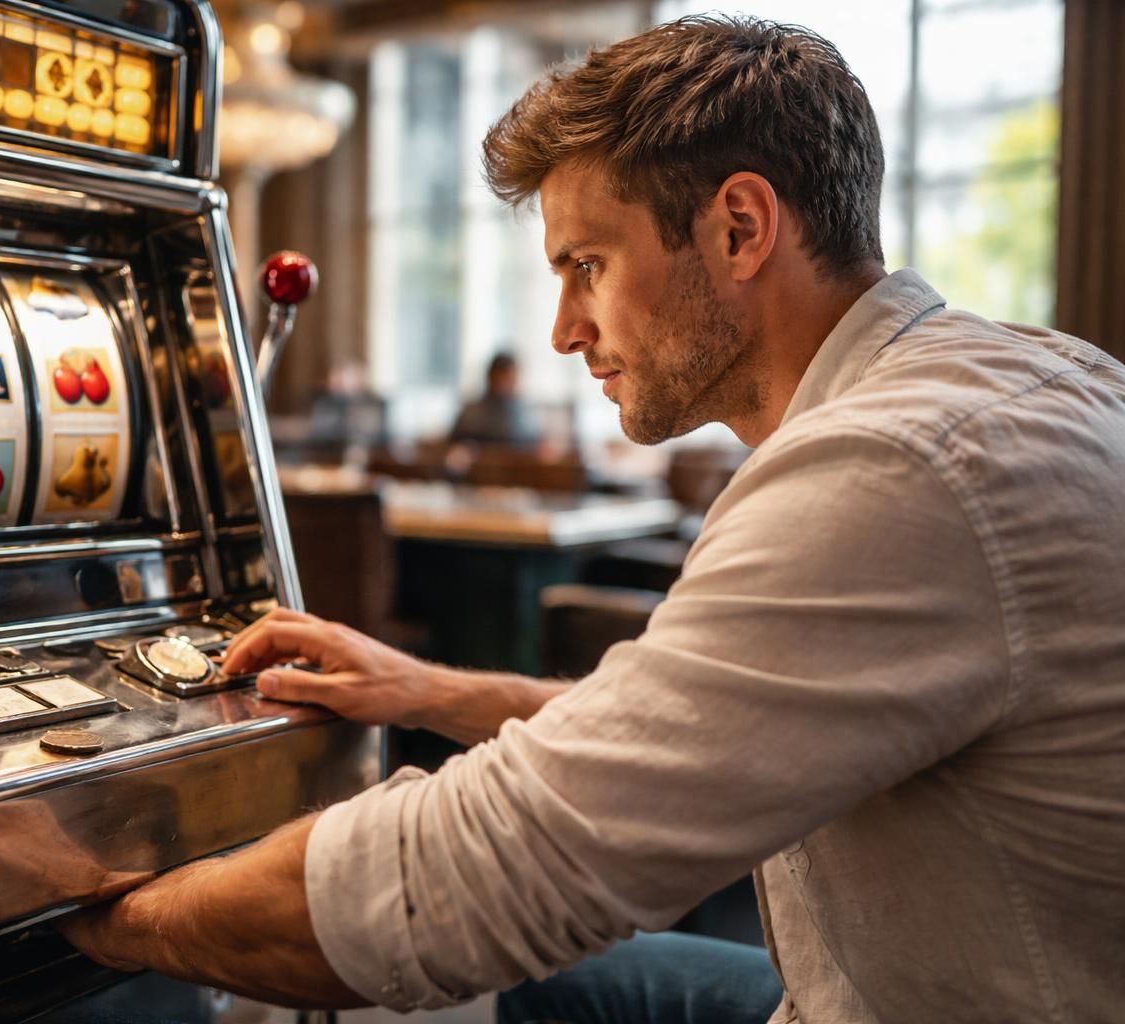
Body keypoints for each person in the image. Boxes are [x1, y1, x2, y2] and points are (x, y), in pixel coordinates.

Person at [57, 16, 1125, 1023]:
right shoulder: (1028, 376)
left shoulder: (892, 470)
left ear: (740, 228)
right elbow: (696, 724)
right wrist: (433, 691)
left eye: (586, 265)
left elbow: (461, 886)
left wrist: (84, 909)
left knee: (434, 979)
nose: (565, 330)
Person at [449, 351, 541, 446]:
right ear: (492, 377)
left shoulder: (523, 412)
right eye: (507, 379)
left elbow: (535, 439)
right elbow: (456, 443)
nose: (513, 384)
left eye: (514, 379)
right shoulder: (472, 413)